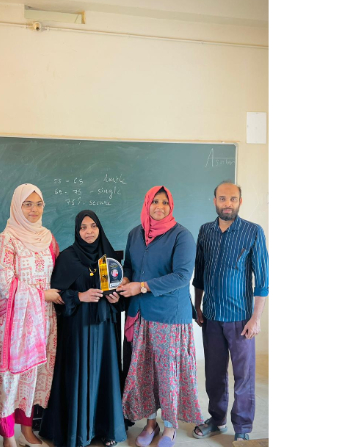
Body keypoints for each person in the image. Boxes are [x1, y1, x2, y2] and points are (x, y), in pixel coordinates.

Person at [118, 186, 203, 447]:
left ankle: (170, 427)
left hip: (169, 316)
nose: (159, 206)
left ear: (171, 206)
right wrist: (126, 279)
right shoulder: (135, 233)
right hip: (141, 314)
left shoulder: (181, 236)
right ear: (147, 204)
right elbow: (129, 266)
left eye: (165, 202)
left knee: (167, 376)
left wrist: (142, 286)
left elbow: (182, 276)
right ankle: (150, 424)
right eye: (155, 201)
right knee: (144, 374)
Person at [40, 210, 127, 447]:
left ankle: (107, 429)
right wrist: (80, 296)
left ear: (100, 228)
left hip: (105, 330)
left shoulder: (109, 257)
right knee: (79, 375)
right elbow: (57, 295)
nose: (89, 232)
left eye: (93, 226)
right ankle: (79, 432)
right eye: (83, 227)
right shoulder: (67, 258)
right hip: (78, 329)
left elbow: (121, 293)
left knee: (105, 376)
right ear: (77, 231)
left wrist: (116, 299)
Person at [192, 181, 269, 442]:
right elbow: (199, 274)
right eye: (223, 198)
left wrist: (256, 318)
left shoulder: (253, 232)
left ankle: (243, 428)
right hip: (211, 317)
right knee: (214, 375)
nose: (228, 204)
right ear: (214, 200)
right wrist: (198, 305)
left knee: (243, 377)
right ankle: (217, 420)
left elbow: (263, 281)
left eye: (233, 199)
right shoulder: (205, 231)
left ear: (240, 202)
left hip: (241, 320)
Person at [0, 184, 62, 447]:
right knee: (11, 379)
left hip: (44, 320)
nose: (34, 210)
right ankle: (8, 436)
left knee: (35, 376)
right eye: (27, 204)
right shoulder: (6, 239)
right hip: (16, 321)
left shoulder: (48, 238)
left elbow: (59, 274)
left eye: (38, 204)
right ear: (17, 206)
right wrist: (43, 295)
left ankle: (27, 430)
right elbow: (4, 282)